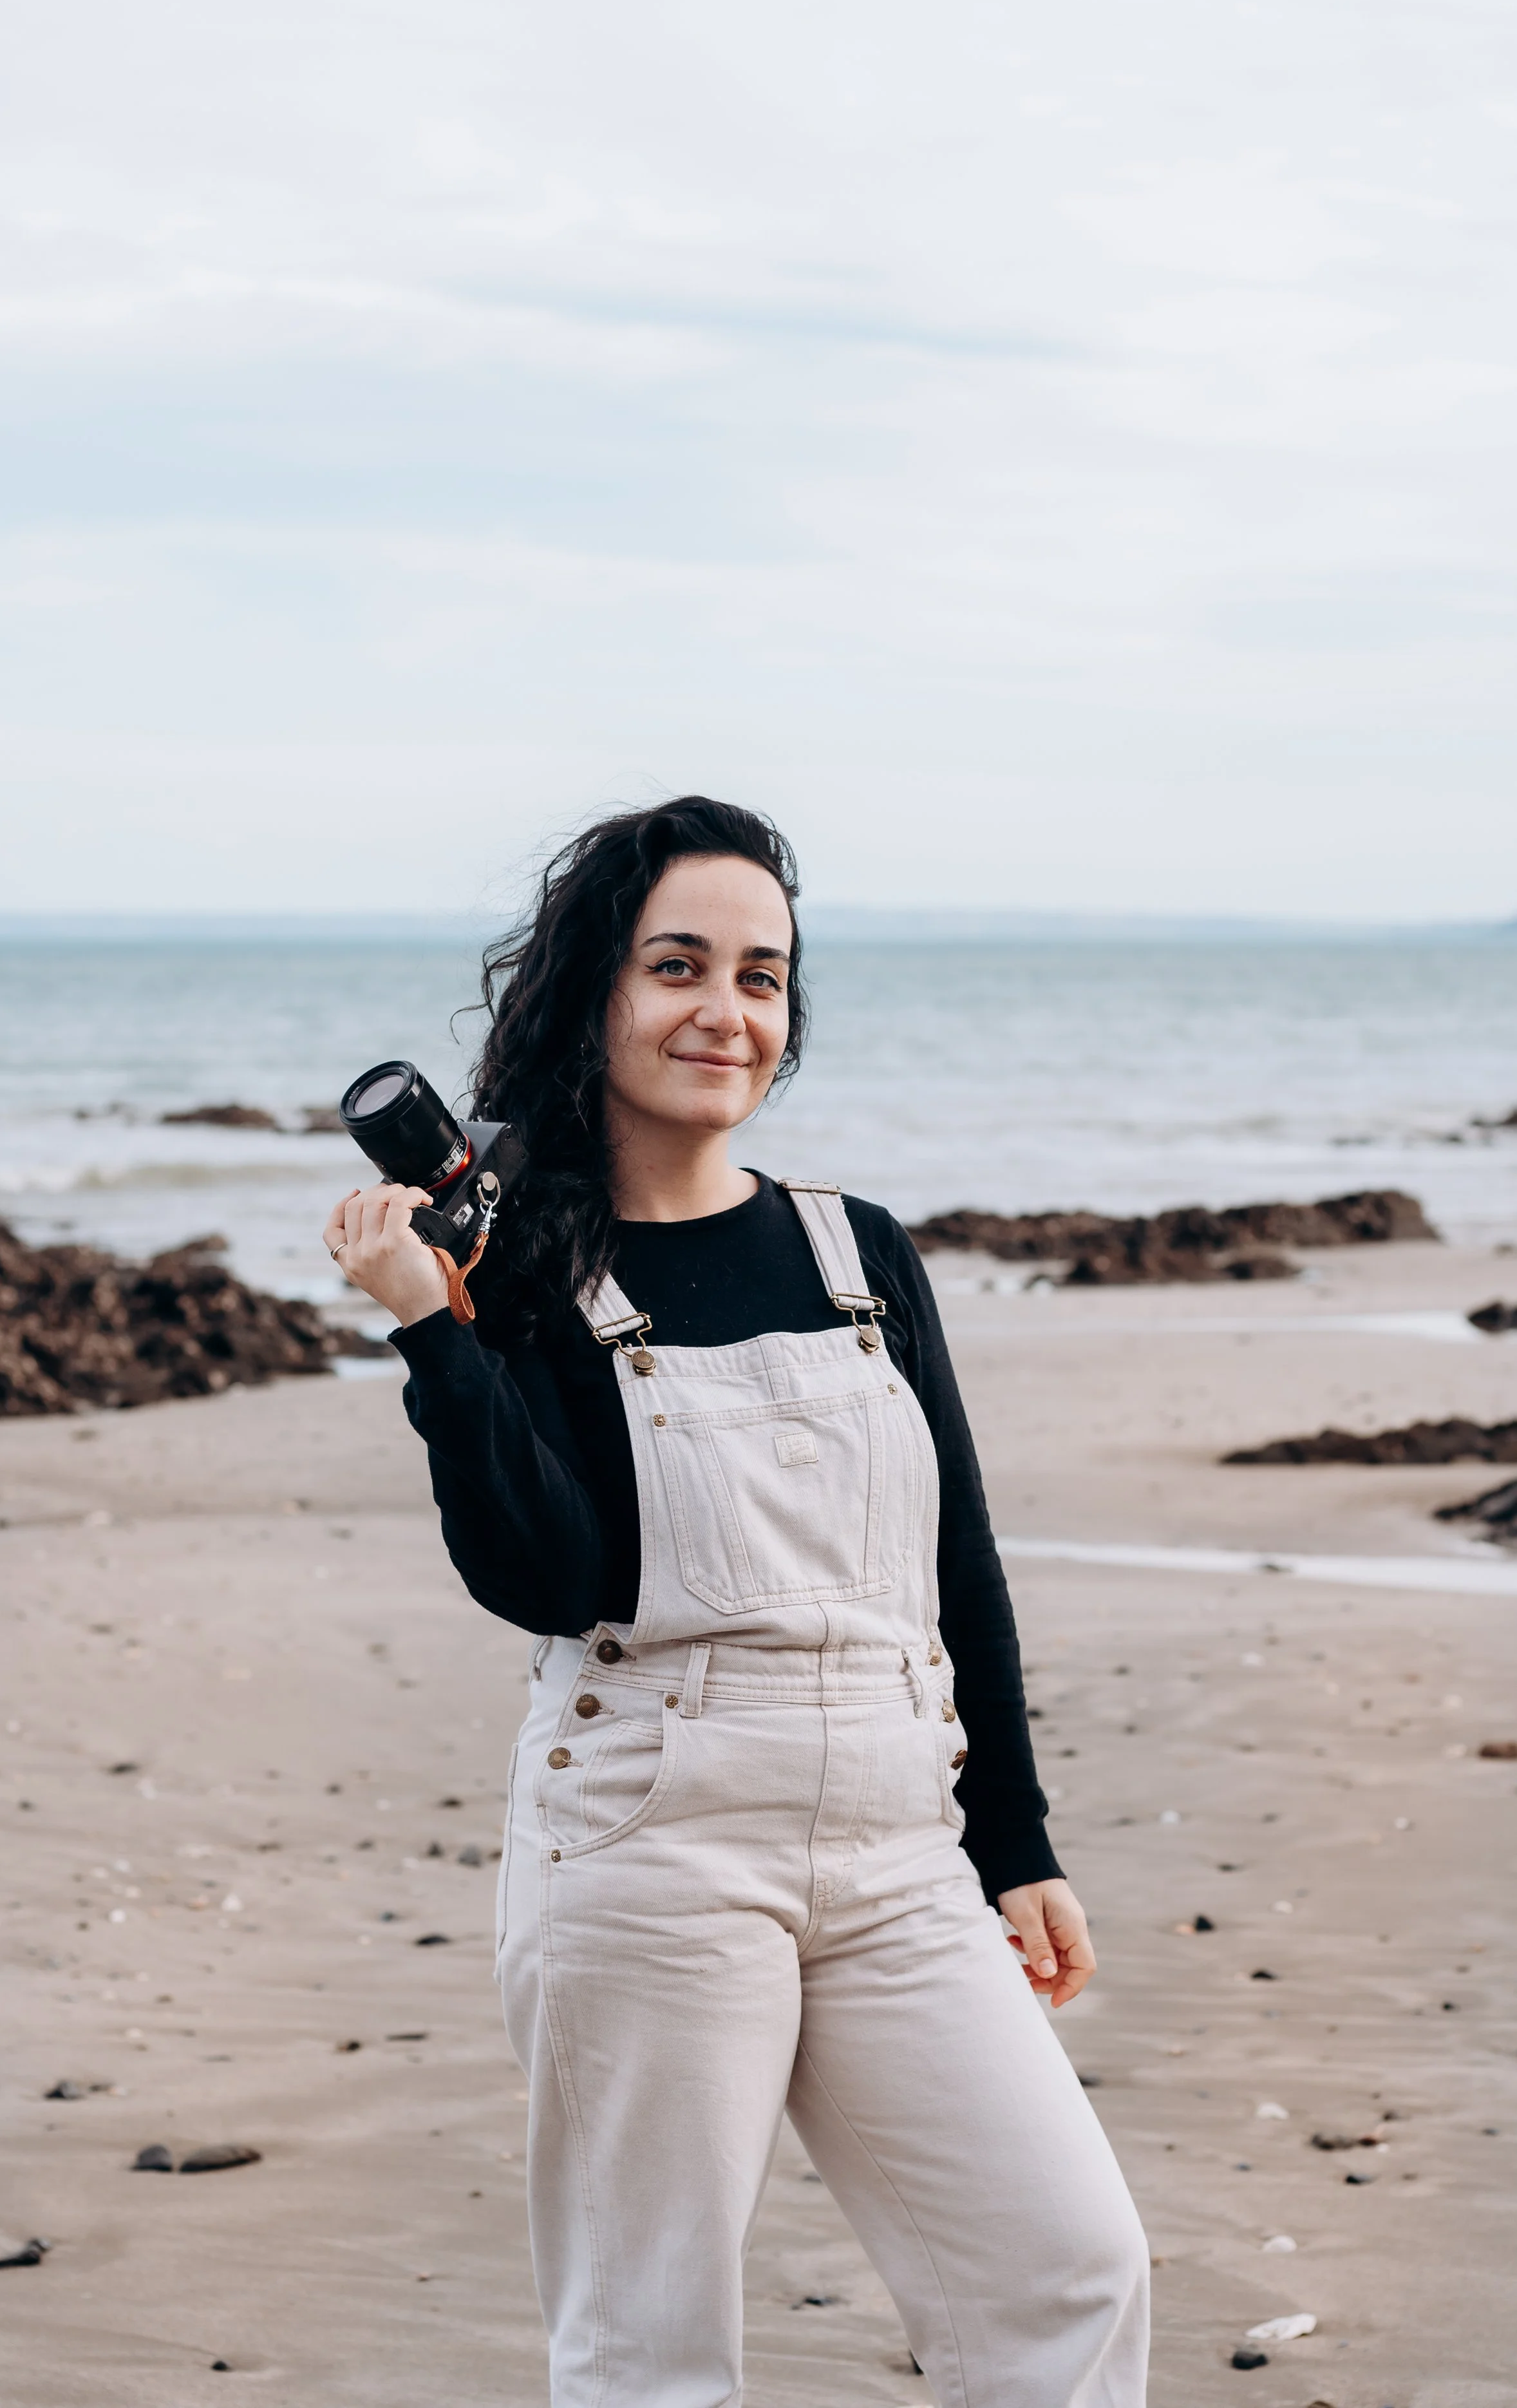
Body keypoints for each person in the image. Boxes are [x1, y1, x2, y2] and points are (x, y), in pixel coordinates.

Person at [324, 797, 1148, 2408]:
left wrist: (1018, 1840)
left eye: (762, 976)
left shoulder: (860, 1250)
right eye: (678, 965)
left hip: (900, 1836)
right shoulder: (526, 1262)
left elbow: (951, 1561)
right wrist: (436, 1332)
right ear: (595, 996)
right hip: (653, 1835)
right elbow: (545, 1578)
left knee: (1069, 2273)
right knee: (651, 2349)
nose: (727, 1011)